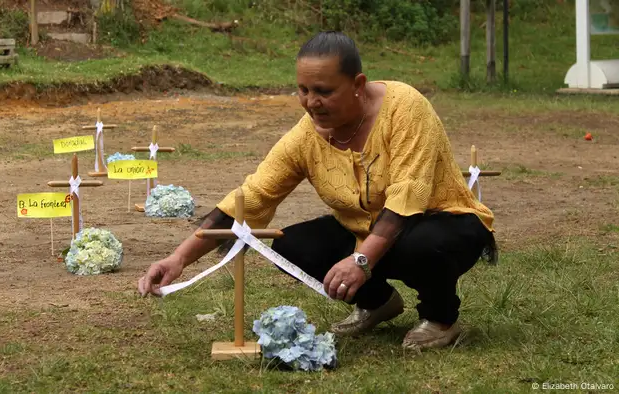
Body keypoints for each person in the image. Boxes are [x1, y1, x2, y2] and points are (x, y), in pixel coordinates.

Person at [138, 31, 496, 350]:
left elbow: (407, 197)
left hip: (441, 221)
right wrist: (178, 258)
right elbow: (251, 197)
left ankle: (441, 318)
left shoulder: (406, 108)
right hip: (365, 232)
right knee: (292, 245)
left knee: (422, 244)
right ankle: (378, 303)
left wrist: (360, 260)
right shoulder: (306, 135)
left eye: (324, 91)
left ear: (358, 83)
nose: (311, 102)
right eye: (303, 90)